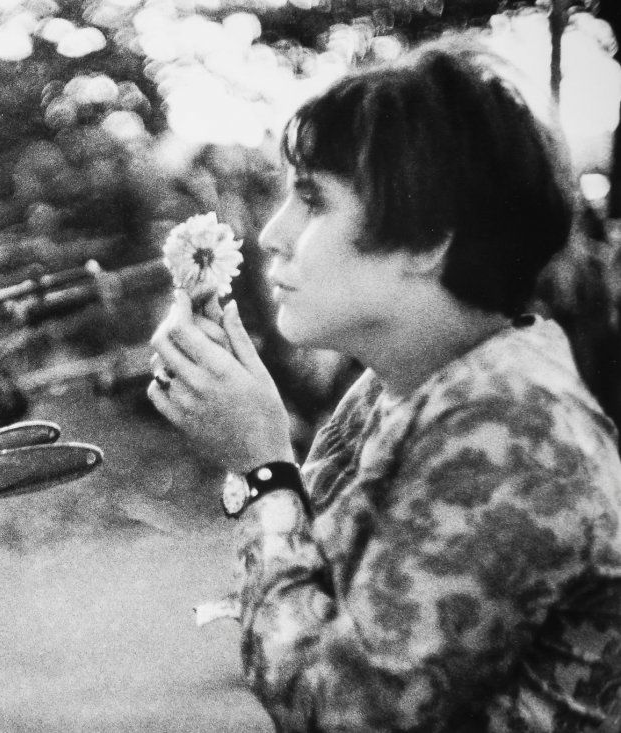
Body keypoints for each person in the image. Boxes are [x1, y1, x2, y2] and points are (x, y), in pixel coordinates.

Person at [148, 41, 621, 731]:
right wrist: (252, 447)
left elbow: (343, 712)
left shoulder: (514, 426)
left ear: (428, 240)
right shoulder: (399, 387)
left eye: (313, 200)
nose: (274, 234)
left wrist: (260, 472)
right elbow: (313, 590)